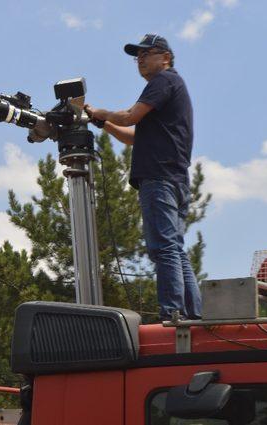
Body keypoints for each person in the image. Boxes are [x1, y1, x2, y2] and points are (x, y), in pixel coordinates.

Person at [85, 34, 201, 321]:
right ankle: (192, 313)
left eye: (146, 53)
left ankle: (173, 312)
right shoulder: (170, 88)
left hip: (159, 177)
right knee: (174, 247)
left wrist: (101, 112)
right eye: (137, 56)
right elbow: (132, 136)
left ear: (166, 57)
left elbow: (129, 117)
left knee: (164, 248)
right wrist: (105, 123)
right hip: (174, 178)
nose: (140, 59)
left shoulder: (163, 81)